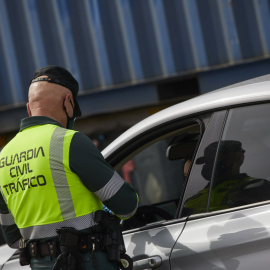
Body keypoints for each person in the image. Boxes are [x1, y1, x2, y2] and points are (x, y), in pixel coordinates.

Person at [0, 65, 138, 270]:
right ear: (68, 102)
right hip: (88, 263)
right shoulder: (68, 142)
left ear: (29, 108)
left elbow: (12, 237)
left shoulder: (3, 157)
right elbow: (127, 206)